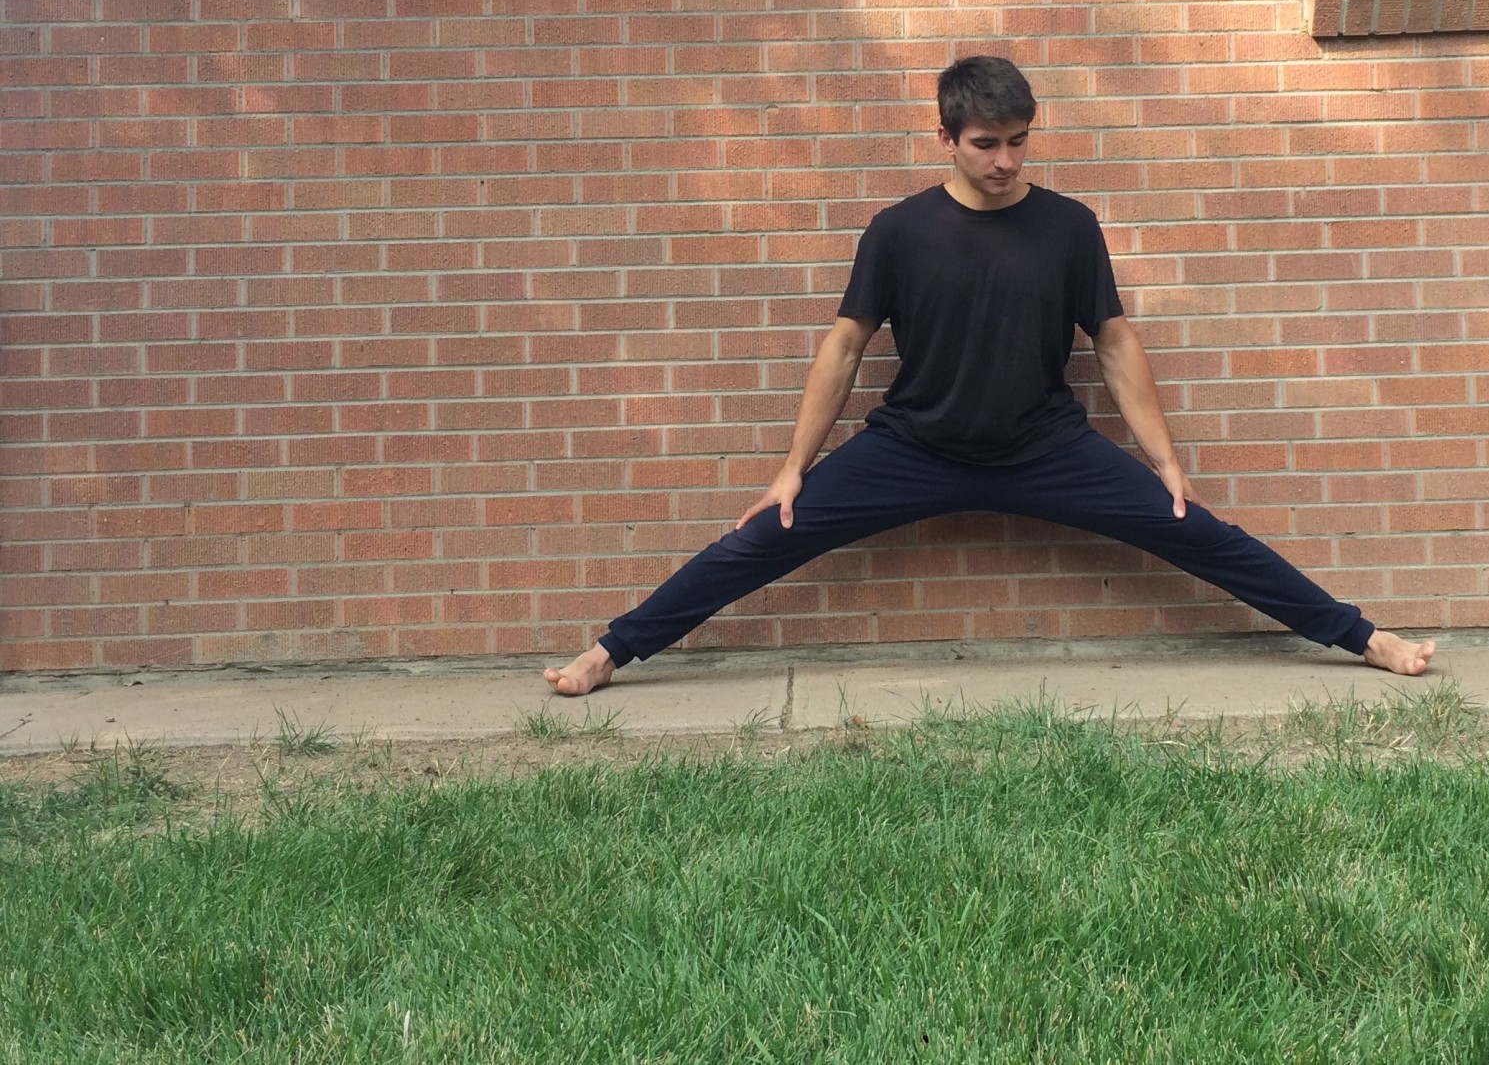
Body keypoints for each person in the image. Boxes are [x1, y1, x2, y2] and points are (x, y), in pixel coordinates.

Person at [544, 56, 1434, 696]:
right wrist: (791, 469)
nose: (1005, 160)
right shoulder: (898, 232)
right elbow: (844, 348)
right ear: (944, 137)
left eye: (1018, 141)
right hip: (913, 449)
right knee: (760, 538)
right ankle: (612, 651)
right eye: (985, 144)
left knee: (1199, 532)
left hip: (1046, 448)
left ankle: (1362, 637)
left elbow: (1114, 344)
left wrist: (1165, 462)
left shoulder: (1068, 225)